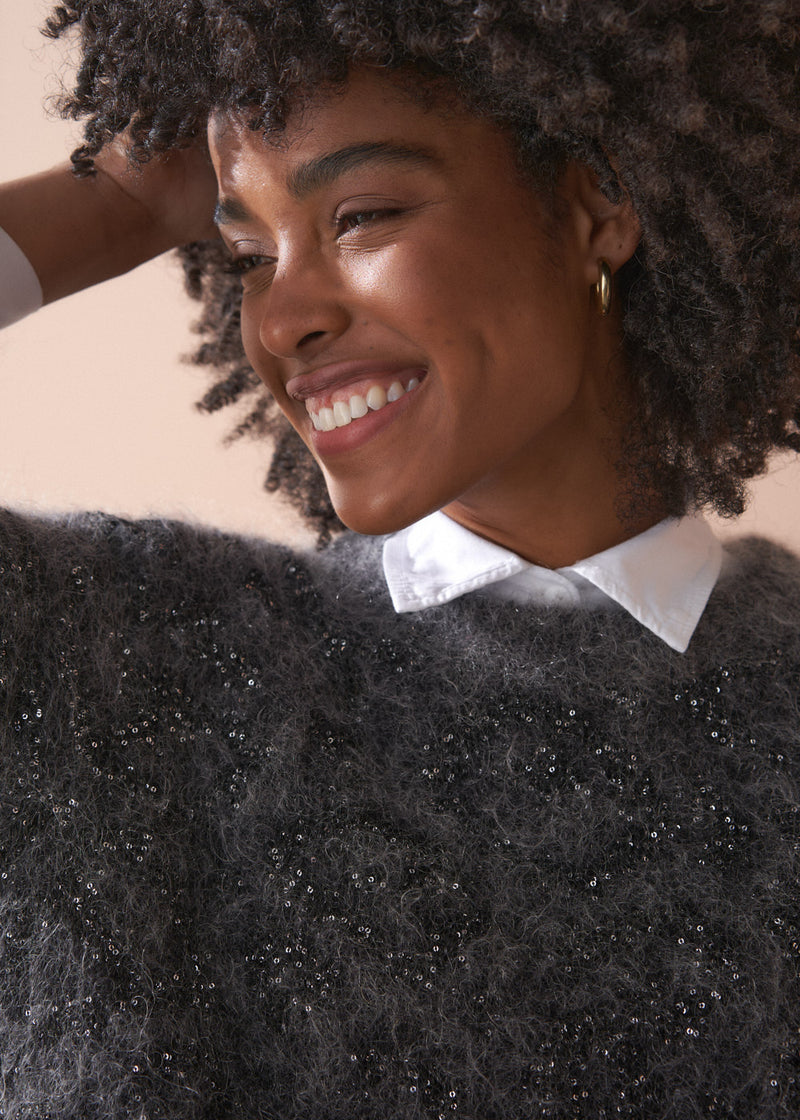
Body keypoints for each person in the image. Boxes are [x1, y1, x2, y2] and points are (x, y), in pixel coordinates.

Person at [0, 1, 798, 1116]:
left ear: (595, 199)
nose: (283, 319)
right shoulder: (113, 654)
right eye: (245, 257)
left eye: (361, 214)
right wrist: (115, 202)